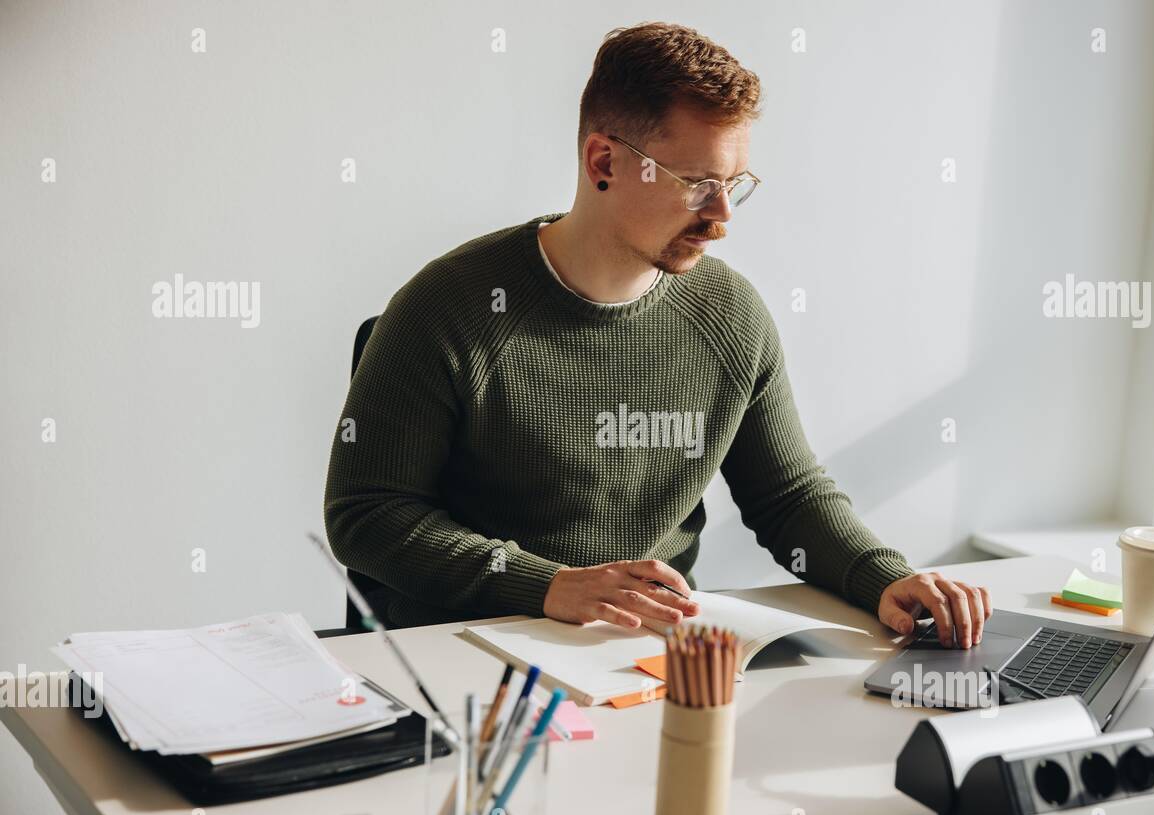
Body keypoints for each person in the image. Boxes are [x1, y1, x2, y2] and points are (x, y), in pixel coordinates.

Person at [324, 22, 990, 649]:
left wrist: (884, 576)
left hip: (646, 654)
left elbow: (788, 498)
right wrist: (549, 584)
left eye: (734, 185)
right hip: (475, 653)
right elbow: (368, 513)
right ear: (603, 160)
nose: (722, 216)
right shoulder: (448, 308)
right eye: (697, 185)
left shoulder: (730, 314)